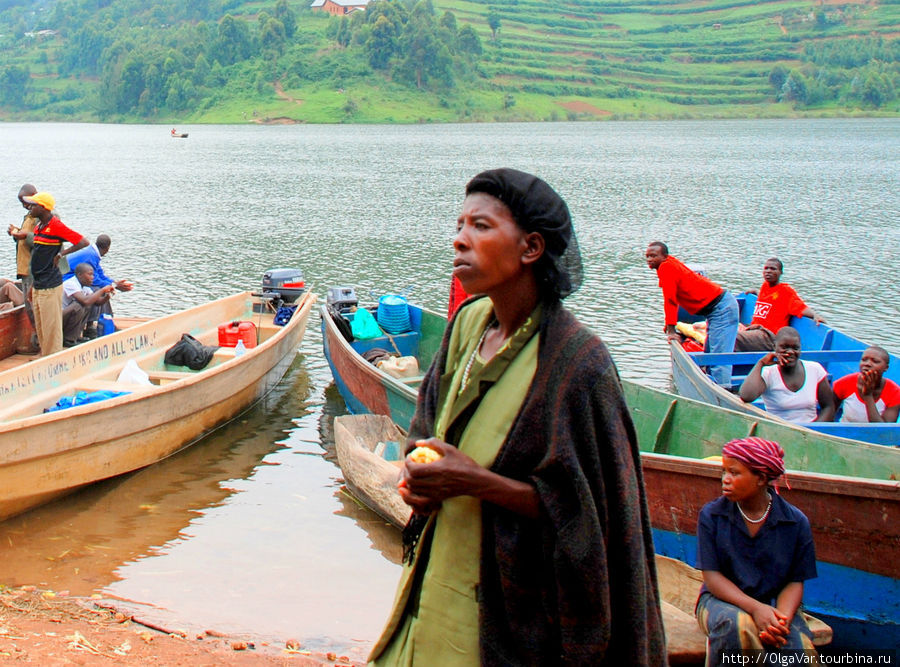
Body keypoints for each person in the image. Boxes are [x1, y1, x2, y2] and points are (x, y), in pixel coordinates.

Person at [369, 169, 665, 665]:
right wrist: (416, 477)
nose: (460, 239)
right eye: (460, 223)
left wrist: (480, 483)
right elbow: (426, 427)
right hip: (433, 576)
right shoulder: (467, 322)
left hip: (505, 612)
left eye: (480, 226)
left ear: (530, 248)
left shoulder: (576, 363)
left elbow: (591, 516)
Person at [696, 437, 819, 665]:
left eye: (734, 473)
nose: (725, 479)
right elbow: (712, 579)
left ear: (761, 479)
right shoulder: (712, 516)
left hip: (774, 604)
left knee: (794, 649)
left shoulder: (795, 522)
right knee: (737, 627)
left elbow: (794, 581)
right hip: (720, 602)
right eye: (723, 472)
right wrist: (756, 609)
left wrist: (779, 621)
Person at [645, 241, 739, 387]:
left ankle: (723, 389)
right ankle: (711, 384)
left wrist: (671, 330)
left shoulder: (666, 267)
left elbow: (670, 300)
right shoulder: (667, 264)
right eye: (647, 256)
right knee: (710, 350)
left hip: (722, 308)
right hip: (715, 310)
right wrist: (669, 326)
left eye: (654, 256)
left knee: (719, 355)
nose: (650, 259)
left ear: (665, 257)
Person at [23, 192, 88, 356]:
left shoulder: (56, 225)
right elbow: (38, 257)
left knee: (51, 329)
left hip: (50, 286)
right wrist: (32, 285)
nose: (30, 207)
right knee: (42, 328)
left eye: (33, 205)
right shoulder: (39, 227)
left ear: (43, 208)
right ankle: (44, 357)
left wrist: (62, 253)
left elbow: (82, 242)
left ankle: (53, 361)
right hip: (39, 284)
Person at [738, 326, 835, 423]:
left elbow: (828, 407)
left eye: (795, 348)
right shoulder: (768, 373)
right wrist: (761, 363)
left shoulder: (814, 369)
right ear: (774, 347)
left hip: (811, 431)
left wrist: (814, 431)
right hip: (780, 430)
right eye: (784, 347)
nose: (790, 352)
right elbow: (746, 396)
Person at [735, 258, 825, 352]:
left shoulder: (785, 292)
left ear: (780, 272)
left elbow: (801, 307)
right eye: (766, 268)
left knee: (731, 337)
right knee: (723, 331)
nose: (768, 271)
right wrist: (755, 291)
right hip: (754, 330)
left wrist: (815, 315)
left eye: (773, 269)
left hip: (769, 336)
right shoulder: (765, 287)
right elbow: (768, 297)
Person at [61, 234, 133, 337]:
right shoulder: (90, 255)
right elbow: (95, 280)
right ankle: (90, 326)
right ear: (107, 248)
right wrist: (112, 286)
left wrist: (113, 284)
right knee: (96, 290)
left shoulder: (93, 253)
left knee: (101, 291)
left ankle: (107, 320)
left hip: (77, 277)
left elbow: (99, 274)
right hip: (67, 278)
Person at [832, 345, 900, 423]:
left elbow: (884, 430)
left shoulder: (895, 392)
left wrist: (868, 395)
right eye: (864, 360)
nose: (867, 364)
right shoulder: (843, 383)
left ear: (886, 368)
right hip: (843, 432)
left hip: (875, 435)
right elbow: (829, 413)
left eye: (875, 361)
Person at [62, 263, 115, 347]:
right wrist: (102, 290)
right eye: (90, 274)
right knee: (78, 306)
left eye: (93, 275)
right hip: (60, 318)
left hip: (67, 317)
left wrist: (107, 296)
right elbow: (85, 301)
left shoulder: (85, 287)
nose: (92, 277)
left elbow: (97, 302)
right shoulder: (71, 284)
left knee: (88, 304)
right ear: (79, 275)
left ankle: (76, 336)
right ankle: (68, 339)